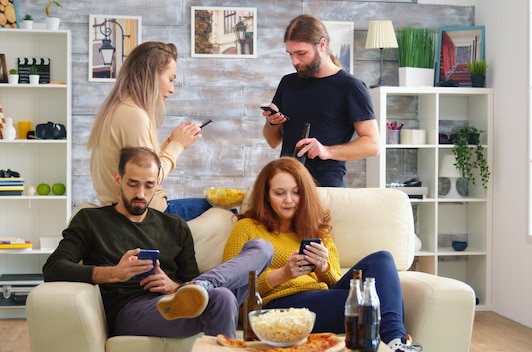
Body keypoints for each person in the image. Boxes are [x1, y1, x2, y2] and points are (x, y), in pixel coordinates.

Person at [43, 147, 274, 338]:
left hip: (176, 299)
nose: (141, 194)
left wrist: (174, 286)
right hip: (130, 310)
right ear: (118, 179)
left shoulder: (174, 225)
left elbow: (187, 277)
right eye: (133, 184)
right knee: (221, 296)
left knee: (262, 248)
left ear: (157, 183)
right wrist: (113, 273)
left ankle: (204, 285)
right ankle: (203, 288)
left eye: (149, 185)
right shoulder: (92, 220)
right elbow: (53, 268)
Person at [223, 157, 421, 352]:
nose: (289, 200)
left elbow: (335, 282)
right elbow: (232, 288)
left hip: (321, 296)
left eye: (296, 192)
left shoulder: (317, 230)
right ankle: (395, 342)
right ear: (266, 195)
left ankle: (395, 342)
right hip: (277, 305)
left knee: (382, 259)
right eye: (279, 193)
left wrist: (323, 267)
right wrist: (284, 274)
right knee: (379, 303)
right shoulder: (247, 228)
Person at [87, 41, 208, 221]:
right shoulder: (134, 116)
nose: (172, 89)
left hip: (119, 209)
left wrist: (171, 141)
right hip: (144, 213)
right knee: (225, 211)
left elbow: (139, 165)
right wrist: (177, 146)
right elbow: (150, 178)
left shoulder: (117, 109)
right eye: (171, 79)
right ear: (152, 75)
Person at [262, 14, 380, 187]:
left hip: (326, 187)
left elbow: (372, 144)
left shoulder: (351, 87)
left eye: (301, 53)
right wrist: (271, 123)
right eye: (291, 54)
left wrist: (326, 150)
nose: (295, 61)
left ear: (322, 45)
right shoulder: (288, 83)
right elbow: (273, 141)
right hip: (288, 185)